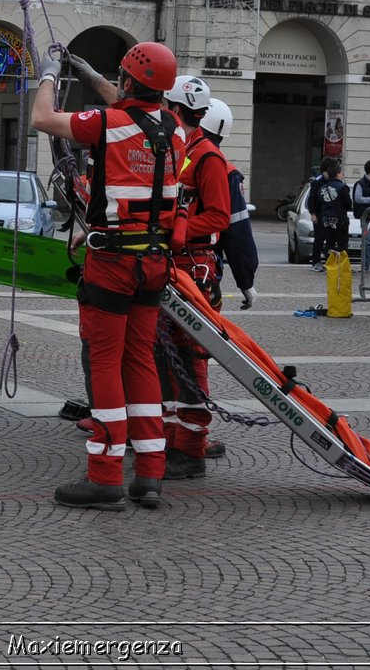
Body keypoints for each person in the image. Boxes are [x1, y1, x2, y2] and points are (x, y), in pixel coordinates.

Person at [35, 42, 184, 510]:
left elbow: (44, 119)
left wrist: (48, 77)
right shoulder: (174, 129)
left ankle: (103, 475)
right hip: (154, 262)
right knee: (139, 359)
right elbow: (132, 100)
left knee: (105, 361)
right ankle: (151, 475)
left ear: (128, 82)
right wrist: (91, 72)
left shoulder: (108, 123)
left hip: (114, 263)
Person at [157, 75, 232, 479]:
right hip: (175, 265)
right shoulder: (180, 150)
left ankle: (191, 449)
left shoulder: (207, 158)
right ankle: (171, 440)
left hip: (195, 269)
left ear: (175, 109)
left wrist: (178, 228)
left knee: (190, 358)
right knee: (167, 357)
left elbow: (219, 216)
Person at [200, 98, 259, 312]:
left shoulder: (170, 156)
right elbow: (237, 233)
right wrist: (246, 282)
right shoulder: (226, 172)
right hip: (199, 268)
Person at [308, 157, 349, 271]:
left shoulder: (334, 181)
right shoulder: (318, 182)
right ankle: (316, 262)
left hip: (330, 213)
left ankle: (330, 261)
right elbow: (311, 199)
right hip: (320, 213)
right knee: (320, 237)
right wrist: (313, 213)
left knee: (331, 238)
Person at [353, 160, 370, 270]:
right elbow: (357, 198)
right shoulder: (360, 183)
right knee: (368, 242)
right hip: (367, 217)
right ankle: (365, 266)